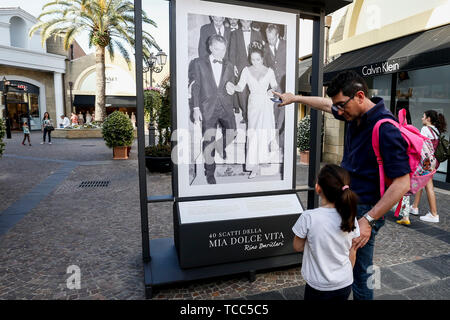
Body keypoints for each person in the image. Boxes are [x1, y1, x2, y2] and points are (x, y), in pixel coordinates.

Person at [274, 70, 411, 300]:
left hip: (366, 210)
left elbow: (402, 183)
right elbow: (327, 105)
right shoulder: (352, 113)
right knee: (343, 261)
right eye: (337, 105)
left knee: (361, 273)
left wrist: (368, 221)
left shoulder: (385, 128)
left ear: (359, 96)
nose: (337, 110)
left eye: (341, 105)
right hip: (349, 202)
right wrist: (295, 98)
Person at [292, 164, 359, 300]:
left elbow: (297, 246)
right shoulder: (350, 216)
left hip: (318, 285)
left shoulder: (308, 217)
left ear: (318, 188)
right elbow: (352, 252)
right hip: (344, 282)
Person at [227, 41, 279, 179]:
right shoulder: (246, 70)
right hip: (253, 105)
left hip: (266, 104)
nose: (255, 62)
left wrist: (271, 90)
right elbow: (239, 87)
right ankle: (253, 167)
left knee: (264, 133)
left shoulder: (269, 71)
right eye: (252, 59)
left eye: (258, 59)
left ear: (262, 58)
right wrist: (231, 86)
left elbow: (274, 85)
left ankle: (263, 161)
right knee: (253, 134)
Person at [191, 34, 237, 185]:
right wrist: (196, 108)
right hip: (207, 108)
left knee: (232, 132)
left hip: (225, 106)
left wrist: (232, 87)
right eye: (217, 49)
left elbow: (231, 84)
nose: (220, 53)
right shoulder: (198, 63)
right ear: (210, 48)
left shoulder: (230, 65)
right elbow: (195, 86)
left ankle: (221, 145)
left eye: (223, 50)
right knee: (208, 140)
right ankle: (210, 172)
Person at [408, 110, 447, 223]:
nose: (421, 118)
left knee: (429, 186)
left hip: (426, 162)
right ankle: (414, 207)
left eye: (423, 116)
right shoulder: (436, 130)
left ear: (428, 119)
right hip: (433, 161)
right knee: (422, 181)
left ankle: (434, 214)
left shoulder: (425, 129)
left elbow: (421, 145)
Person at [228, 19, 263, 125]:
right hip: (240, 66)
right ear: (240, 22)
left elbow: (262, 51)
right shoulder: (235, 34)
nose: (246, 24)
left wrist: (261, 65)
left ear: (251, 21)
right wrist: (233, 65)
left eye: (248, 22)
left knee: (254, 91)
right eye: (243, 22)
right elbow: (232, 51)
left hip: (255, 65)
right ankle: (245, 115)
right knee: (242, 92)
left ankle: (253, 114)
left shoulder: (257, 34)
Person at [264, 24, 286, 150]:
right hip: (273, 86)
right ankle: (272, 141)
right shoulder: (265, 48)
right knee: (273, 112)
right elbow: (266, 68)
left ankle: (280, 142)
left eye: (272, 38)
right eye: (268, 38)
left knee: (282, 113)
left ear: (277, 35)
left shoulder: (286, 45)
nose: (270, 41)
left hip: (285, 85)